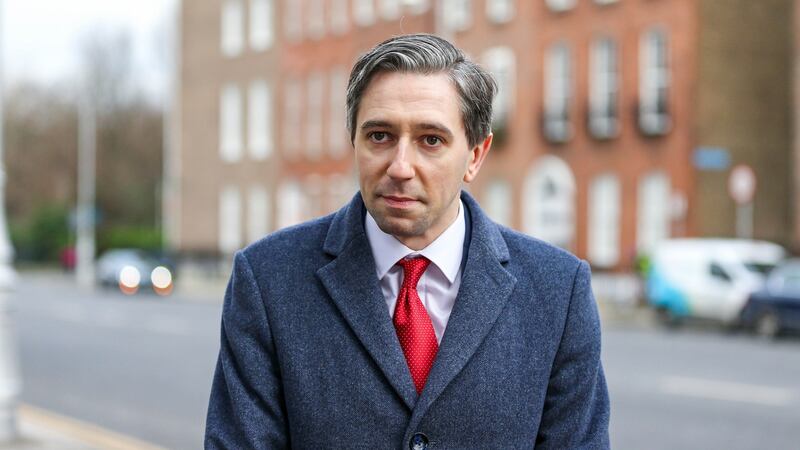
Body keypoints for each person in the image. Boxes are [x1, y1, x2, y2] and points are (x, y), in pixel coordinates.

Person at [205, 33, 609, 449]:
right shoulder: (268, 279)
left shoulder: (559, 291)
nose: (400, 166)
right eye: (379, 135)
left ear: (475, 155)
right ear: (354, 142)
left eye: (430, 140)